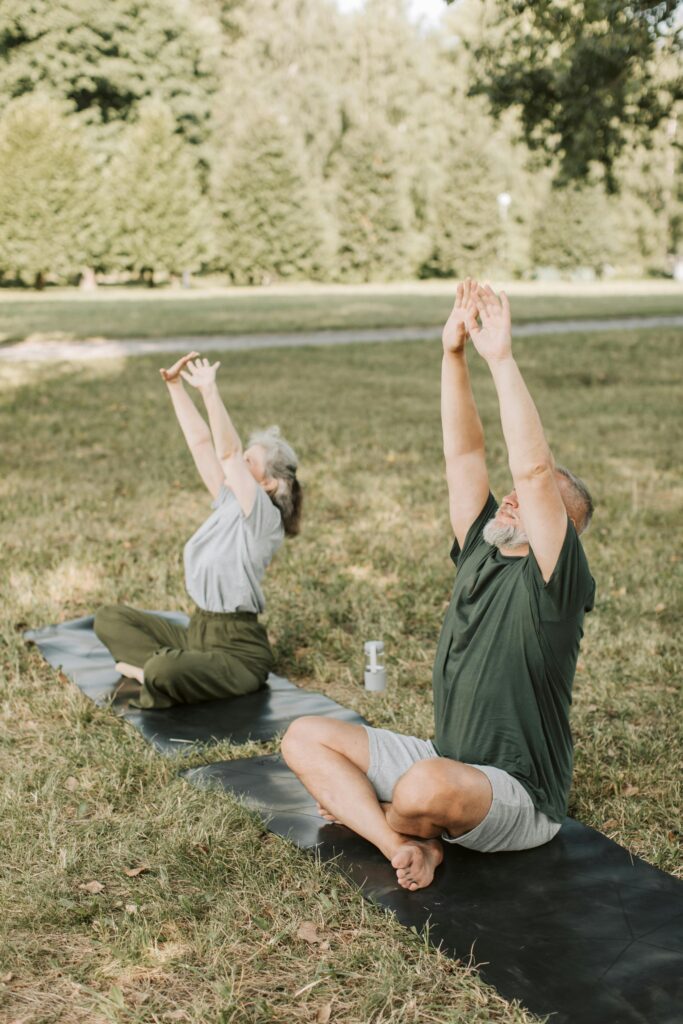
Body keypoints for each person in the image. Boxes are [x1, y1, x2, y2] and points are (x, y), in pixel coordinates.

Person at [282, 279, 595, 891]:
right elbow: (464, 455)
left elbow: (531, 470)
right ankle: (400, 839)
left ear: (561, 530)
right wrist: (451, 353)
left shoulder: (556, 589)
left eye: (535, 502)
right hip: (444, 755)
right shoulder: (482, 549)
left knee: (424, 786)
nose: (512, 497)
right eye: (512, 497)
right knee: (302, 736)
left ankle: (379, 816)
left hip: (516, 794)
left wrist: (500, 359)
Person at [94, 352, 302, 709]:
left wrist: (209, 391)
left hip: (238, 653)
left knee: (163, 666)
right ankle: (163, 673)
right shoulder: (227, 500)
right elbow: (202, 444)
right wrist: (175, 386)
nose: (238, 463)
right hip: (198, 631)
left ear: (268, 483)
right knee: (110, 618)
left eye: (248, 462)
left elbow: (226, 452)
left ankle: (154, 673)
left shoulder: (263, 518)